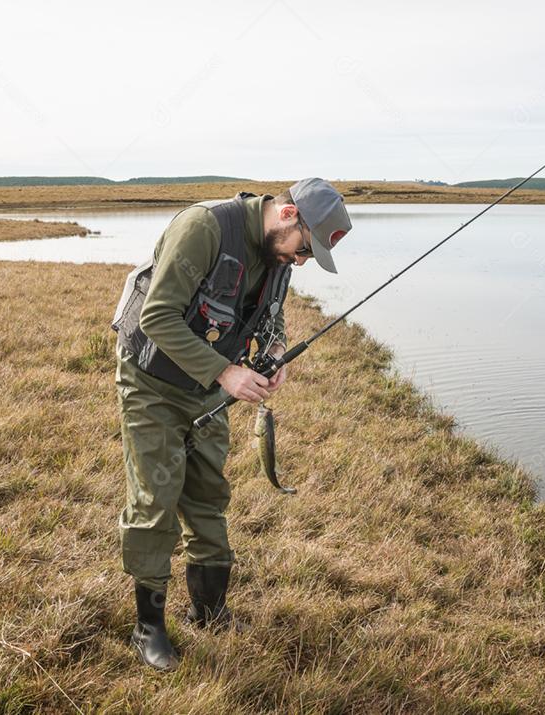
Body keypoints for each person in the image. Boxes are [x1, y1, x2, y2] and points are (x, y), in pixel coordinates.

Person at [111, 178, 352, 671]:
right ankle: (148, 629)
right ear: (288, 216)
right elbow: (157, 315)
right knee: (156, 499)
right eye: (304, 250)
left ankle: (209, 611)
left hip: (208, 393)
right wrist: (225, 371)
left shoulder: (278, 253)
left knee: (208, 496)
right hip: (152, 383)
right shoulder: (204, 227)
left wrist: (277, 351)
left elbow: (272, 313)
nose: (301, 262)